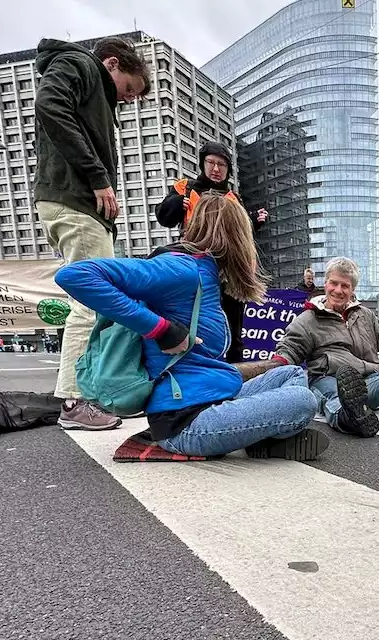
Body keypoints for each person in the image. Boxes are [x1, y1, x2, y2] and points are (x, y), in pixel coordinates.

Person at [54, 195, 326, 459]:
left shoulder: (206, 273)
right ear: (237, 237)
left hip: (214, 398)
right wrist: (160, 330)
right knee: (303, 401)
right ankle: (265, 438)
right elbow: (76, 275)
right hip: (186, 422)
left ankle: (259, 438)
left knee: (290, 373)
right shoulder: (182, 269)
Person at [35, 36, 152, 429]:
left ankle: (85, 393)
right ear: (113, 64)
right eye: (130, 89)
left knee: (97, 300)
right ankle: (74, 400)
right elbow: (49, 105)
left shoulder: (90, 82)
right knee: (93, 302)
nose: (129, 99)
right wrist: (99, 178)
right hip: (76, 203)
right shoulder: (80, 64)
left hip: (76, 204)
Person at [271, 257, 379, 438]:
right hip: (329, 378)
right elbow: (290, 349)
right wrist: (274, 365)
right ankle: (348, 417)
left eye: (345, 286)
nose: (338, 290)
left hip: (368, 380)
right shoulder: (307, 319)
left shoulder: (365, 315)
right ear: (325, 284)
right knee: (334, 395)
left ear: (352, 290)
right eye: (334, 283)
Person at [154, 141, 268, 364]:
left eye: (222, 165)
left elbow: (241, 236)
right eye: (211, 163)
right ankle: (196, 365)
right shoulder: (184, 188)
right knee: (196, 320)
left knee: (234, 326)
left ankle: (235, 369)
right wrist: (177, 204)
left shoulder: (233, 198)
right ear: (202, 164)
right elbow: (164, 218)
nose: (216, 169)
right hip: (196, 267)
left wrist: (254, 222)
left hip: (228, 270)